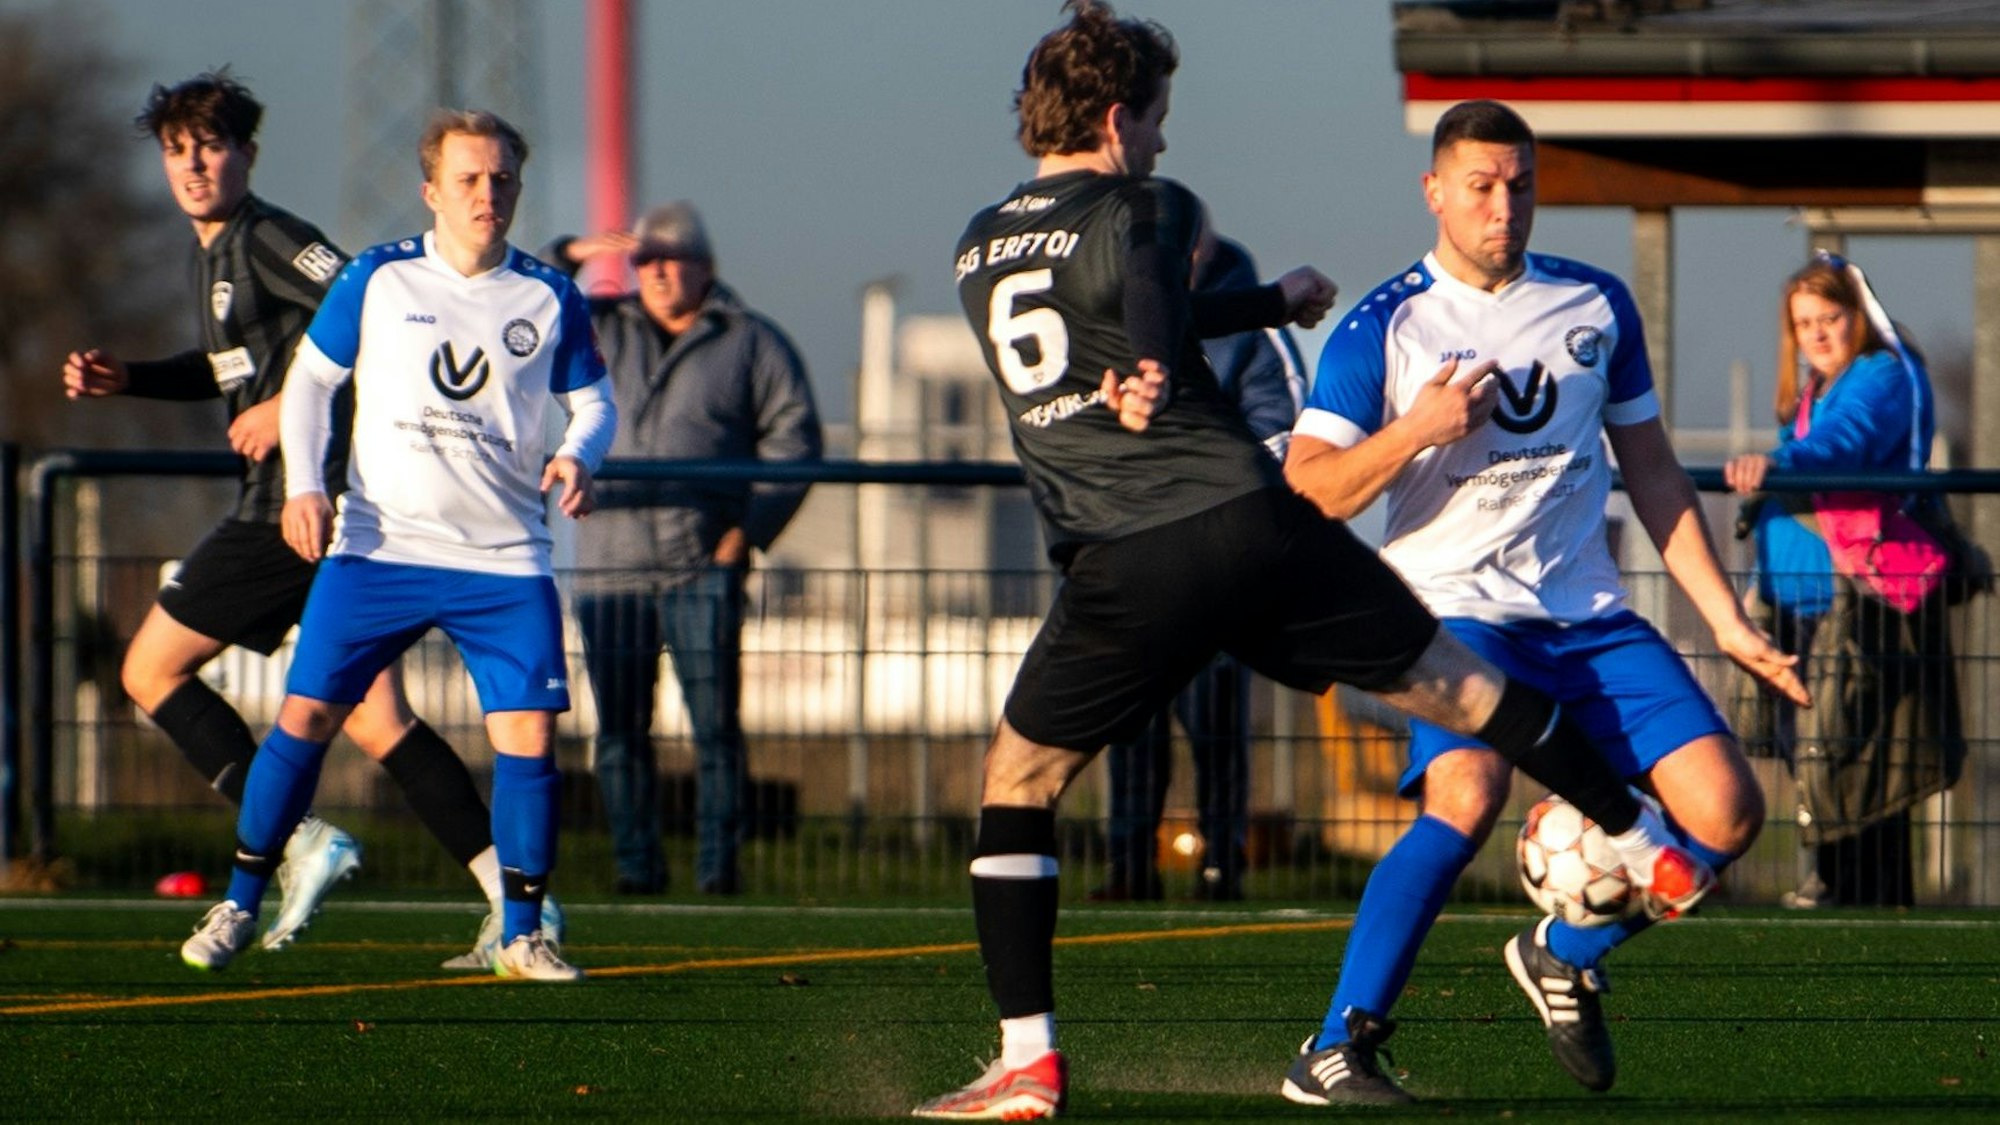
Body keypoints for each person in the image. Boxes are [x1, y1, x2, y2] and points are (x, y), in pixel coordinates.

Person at [917, 8, 1717, 1118]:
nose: (1159, 143)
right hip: (1252, 525)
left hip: (1123, 561)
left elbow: (1131, 301)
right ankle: (1638, 837)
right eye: (1155, 121)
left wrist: (1253, 309)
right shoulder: (1150, 203)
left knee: (1018, 783)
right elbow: (1148, 279)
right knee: (1477, 699)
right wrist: (1158, 356)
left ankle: (1025, 1060)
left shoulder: (975, 246)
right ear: (1115, 117)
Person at [1282, 98, 1809, 1103]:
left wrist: (1726, 621)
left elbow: (1652, 473)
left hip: (1588, 618)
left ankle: (1563, 949)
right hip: (1453, 615)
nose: (1501, 206)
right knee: (1466, 795)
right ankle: (1335, 1046)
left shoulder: (1594, 305)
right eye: (1478, 186)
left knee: (1727, 816)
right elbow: (1309, 486)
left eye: (1518, 185)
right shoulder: (1382, 325)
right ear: (1433, 192)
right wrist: (1417, 430)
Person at [62, 70, 555, 967]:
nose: (195, 164)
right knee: (379, 721)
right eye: (178, 150)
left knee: (149, 667)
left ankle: (296, 840)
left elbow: (369, 326)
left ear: (248, 153)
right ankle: (507, 892)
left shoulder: (275, 237)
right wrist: (130, 377)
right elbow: (227, 373)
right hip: (312, 518)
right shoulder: (207, 250)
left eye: (212, 146)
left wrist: (288, 405)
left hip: (296, 512)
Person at [176, 108, 614, 982]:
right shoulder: (379, 279)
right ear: (431, 190)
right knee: (304, 720)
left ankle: (523, 931)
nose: (488, 195)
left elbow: (596, 400)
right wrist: (306, 485)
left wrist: (576, 453)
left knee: (529, 738)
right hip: (378, 550)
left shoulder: (547, 293)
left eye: (503, 180)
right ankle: (237, 901)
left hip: (505, 561)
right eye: (469, 179)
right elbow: (309, 384)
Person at [545, 203, 822, 896]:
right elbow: (531, 308)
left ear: (707, 265)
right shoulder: (600, 324)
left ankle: (716, 872)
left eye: (674, 257)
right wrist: (570, 252)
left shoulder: (752, 342)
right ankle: (637, 869)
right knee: (617, 734)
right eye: (646, 260)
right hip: (610, 567)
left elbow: (795, 442)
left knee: (715, 731)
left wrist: (748, 532)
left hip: (704, 565)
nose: (660, 271)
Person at [1725, 253, 1966, 909]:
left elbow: (1846, 444)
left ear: (1857, 316)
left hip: (1859, 605)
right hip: (1800, 603)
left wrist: (1779, 462)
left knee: (1858, 756)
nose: (1818, 333)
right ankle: (1838, 881)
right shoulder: (1812, 392)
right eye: (1804, 323)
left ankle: (1863, 893)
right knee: (1817, 751)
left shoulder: (1881, 376)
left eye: (1830, 316)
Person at [1098, 226, 1305, 903]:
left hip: (1220, 552)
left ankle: (1223, 864)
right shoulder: (1119, 309)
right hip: (1139, 548)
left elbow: (1283, 426)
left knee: (1216, 723)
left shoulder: (1253, 319)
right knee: (1132, 720)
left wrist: (1200, 476)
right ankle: (1128, 864)